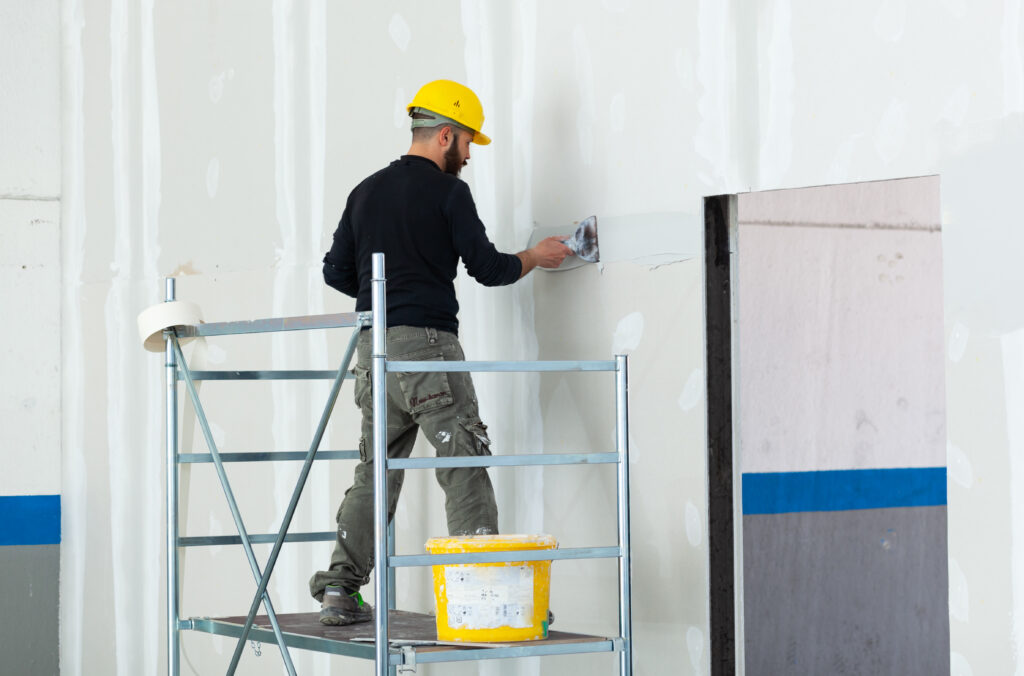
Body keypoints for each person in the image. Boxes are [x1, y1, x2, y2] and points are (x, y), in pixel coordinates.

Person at [309, 79, 572, 625]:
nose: (471, 156)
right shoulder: (448, 193)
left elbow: (337, 271)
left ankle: (339, 589)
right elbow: (489, 269)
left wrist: (386, 288)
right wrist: (536, 255)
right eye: (469, 142)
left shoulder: (365, 191)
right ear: (445, 135)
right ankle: (483, 597)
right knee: (462, 463)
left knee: (374, 471)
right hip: (427, 348)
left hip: (373, 350)